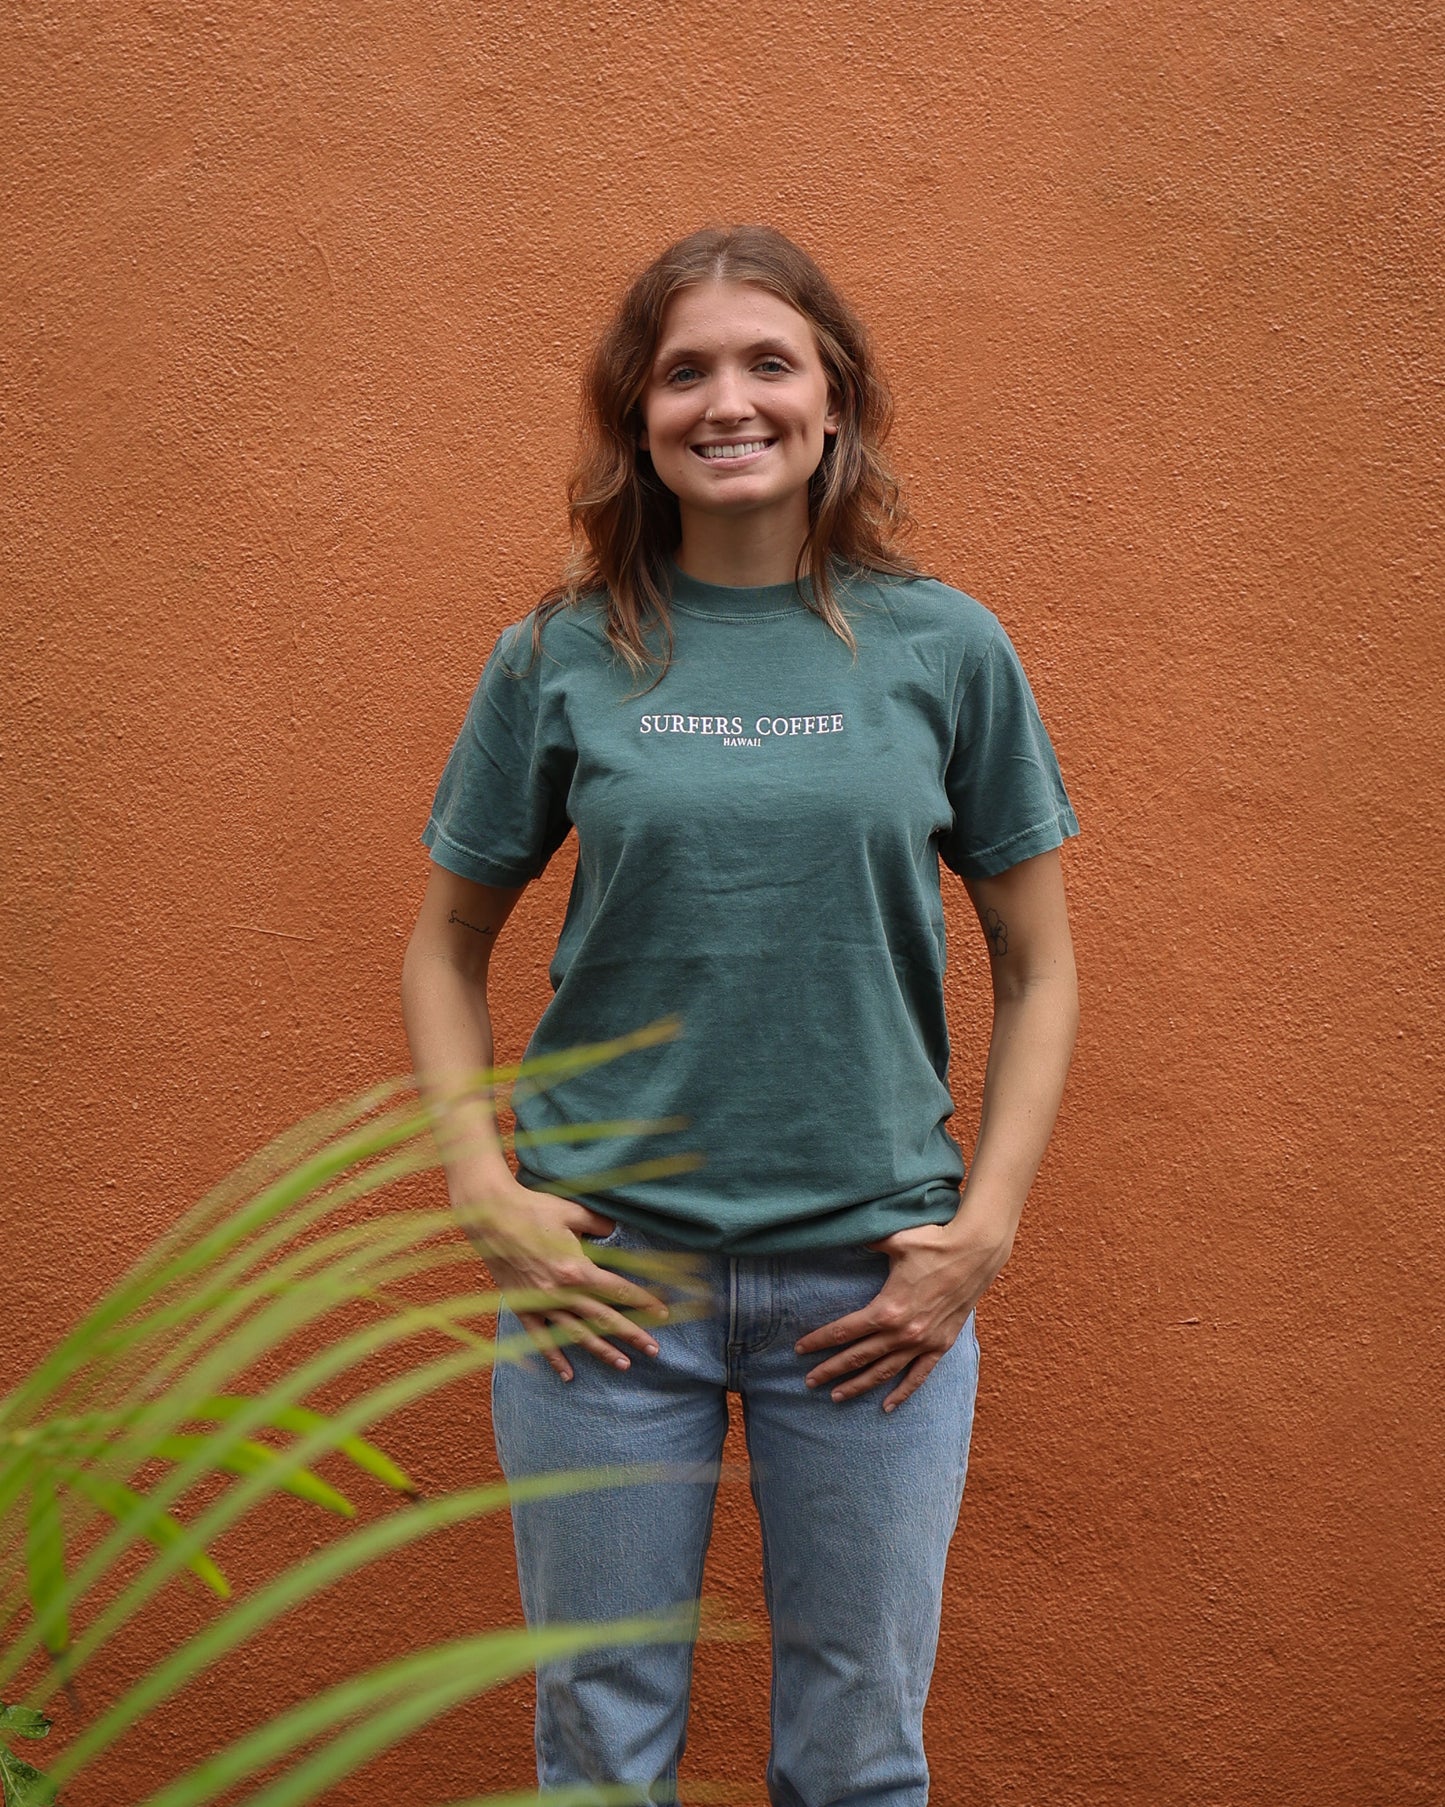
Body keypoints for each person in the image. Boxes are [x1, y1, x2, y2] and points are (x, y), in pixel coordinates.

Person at [400, 222, 1081, 1807]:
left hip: (871, 1297)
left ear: (832, 400)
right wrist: (480, 1186)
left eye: (769, 362)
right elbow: (445, 942)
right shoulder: (562, 655)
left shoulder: (942, 648)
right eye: (684, 369)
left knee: (856, 1751)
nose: (729, 400)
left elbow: (1041, 964)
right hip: (604, 1292)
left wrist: (984, 1229)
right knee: (597, 1745)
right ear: (637, 414)